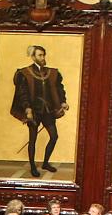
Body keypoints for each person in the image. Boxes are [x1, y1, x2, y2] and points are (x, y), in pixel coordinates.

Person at [9, 45, 69, 178]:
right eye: (40, 55)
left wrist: (63, 101)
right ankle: (32, 166)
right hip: (34, 111)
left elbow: (59, 88)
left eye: (43, 55)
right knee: (33, 139)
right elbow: (23, 93)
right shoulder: (24, 73)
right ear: (33, 57)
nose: (43, 58)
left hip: (47, 111)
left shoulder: (52, 73)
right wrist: (27, 109)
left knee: (54, 136)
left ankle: (45, 163)